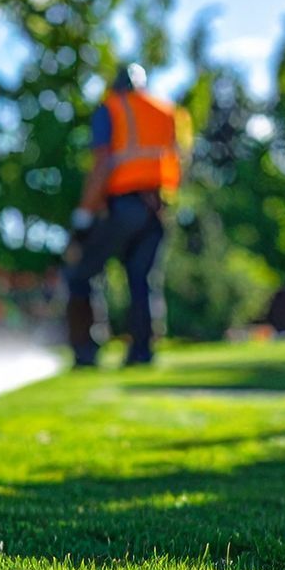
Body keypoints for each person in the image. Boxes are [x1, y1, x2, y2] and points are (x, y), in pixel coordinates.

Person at [65, 64, 189, 367]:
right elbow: (181, 160)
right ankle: (141, 352)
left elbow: (102, 164)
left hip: (124, 206)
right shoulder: (168, 111)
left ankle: (86, 349)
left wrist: (84, 216)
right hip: (158, 207)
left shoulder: (111, 110)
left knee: (81, 272)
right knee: (142, 280)